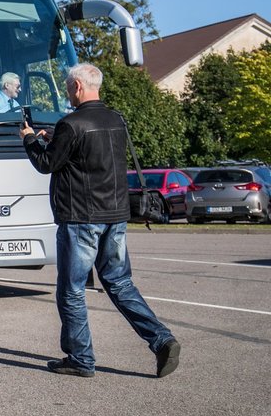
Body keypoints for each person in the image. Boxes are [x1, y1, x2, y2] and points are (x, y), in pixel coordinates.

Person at [20, 63, 180, 378]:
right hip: (116, 215)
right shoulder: (116, 120)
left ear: (77, 86)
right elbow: (89, 154)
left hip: (81, 217)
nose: (68, 92)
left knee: (72, 289)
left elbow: (47, 163)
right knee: (120, 284)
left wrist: (29, 139)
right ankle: (161, 340)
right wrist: (54, 138)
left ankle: (81, 359)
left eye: (68, 87)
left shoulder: (71, 123)